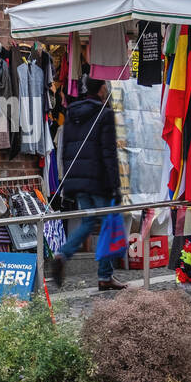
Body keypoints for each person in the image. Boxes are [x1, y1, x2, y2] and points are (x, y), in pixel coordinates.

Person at [52, 77, 125, 290]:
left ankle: (62, 254)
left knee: (88, 222)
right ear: (102, 88)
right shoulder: (105, 114)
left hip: (78, 179)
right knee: (107, 224)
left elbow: (65, 149)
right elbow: (108, 153)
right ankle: (104, 276)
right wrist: (115, 185)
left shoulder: (72, 112)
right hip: (99, 180)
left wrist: (69, 179)